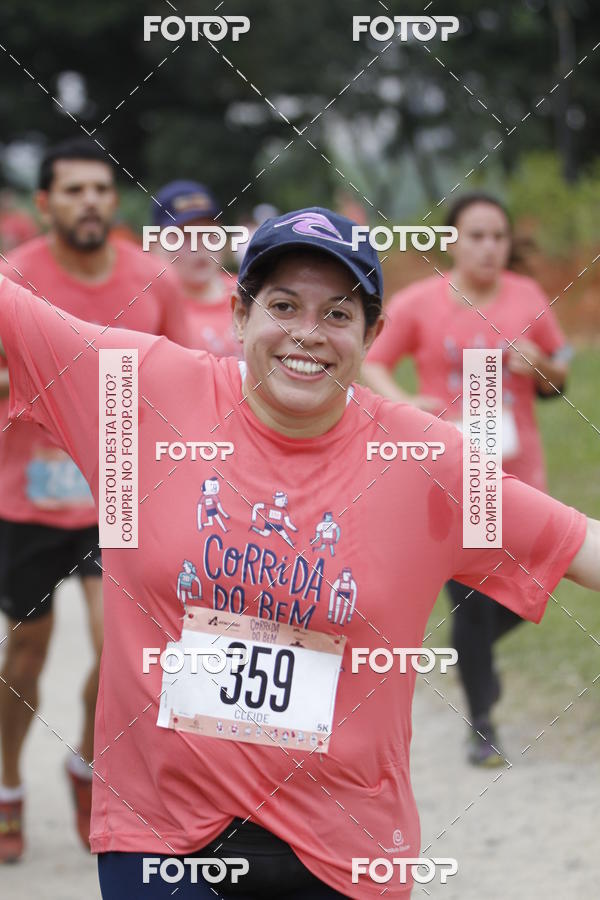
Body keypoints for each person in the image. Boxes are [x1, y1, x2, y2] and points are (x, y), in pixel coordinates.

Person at [0, 206, 597, 899]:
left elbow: (580, 543)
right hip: (161, 834)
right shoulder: (136, 391)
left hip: (345, 845)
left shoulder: (427, 461)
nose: (307, 334)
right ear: (238, 313)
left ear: (372, 334)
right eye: (283, 305)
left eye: (338, 314)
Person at [0, 137, 187, 862]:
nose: (89, 203)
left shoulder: (152, 280)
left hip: (121, 494)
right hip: (28, 496)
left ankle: (85, 763)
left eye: (101, 190)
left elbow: (181, 381)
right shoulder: (15, 280)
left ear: (116, 201)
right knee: (26, 654)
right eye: (72, 191)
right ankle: (8, 784)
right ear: (45, 204)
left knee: (121, 650)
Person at [361, 192, 573, 766]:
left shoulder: (527, 297)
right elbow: (369, 357)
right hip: (450, 478)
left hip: (519, 475)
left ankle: (471, 658)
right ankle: (482, 725)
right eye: (476, 235)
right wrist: (406, 401)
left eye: (498, 237)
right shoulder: (422, 303)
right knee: (472, 600)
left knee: (534, 587)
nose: (488, 247)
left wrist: (542, 366)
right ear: (452, 241)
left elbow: (561, 377)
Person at [152, 180, 242, 357]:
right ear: (155, 243)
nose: (198, 245)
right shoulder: (150, 310)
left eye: (208, 234)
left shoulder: (250, 292)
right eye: (182, 235)